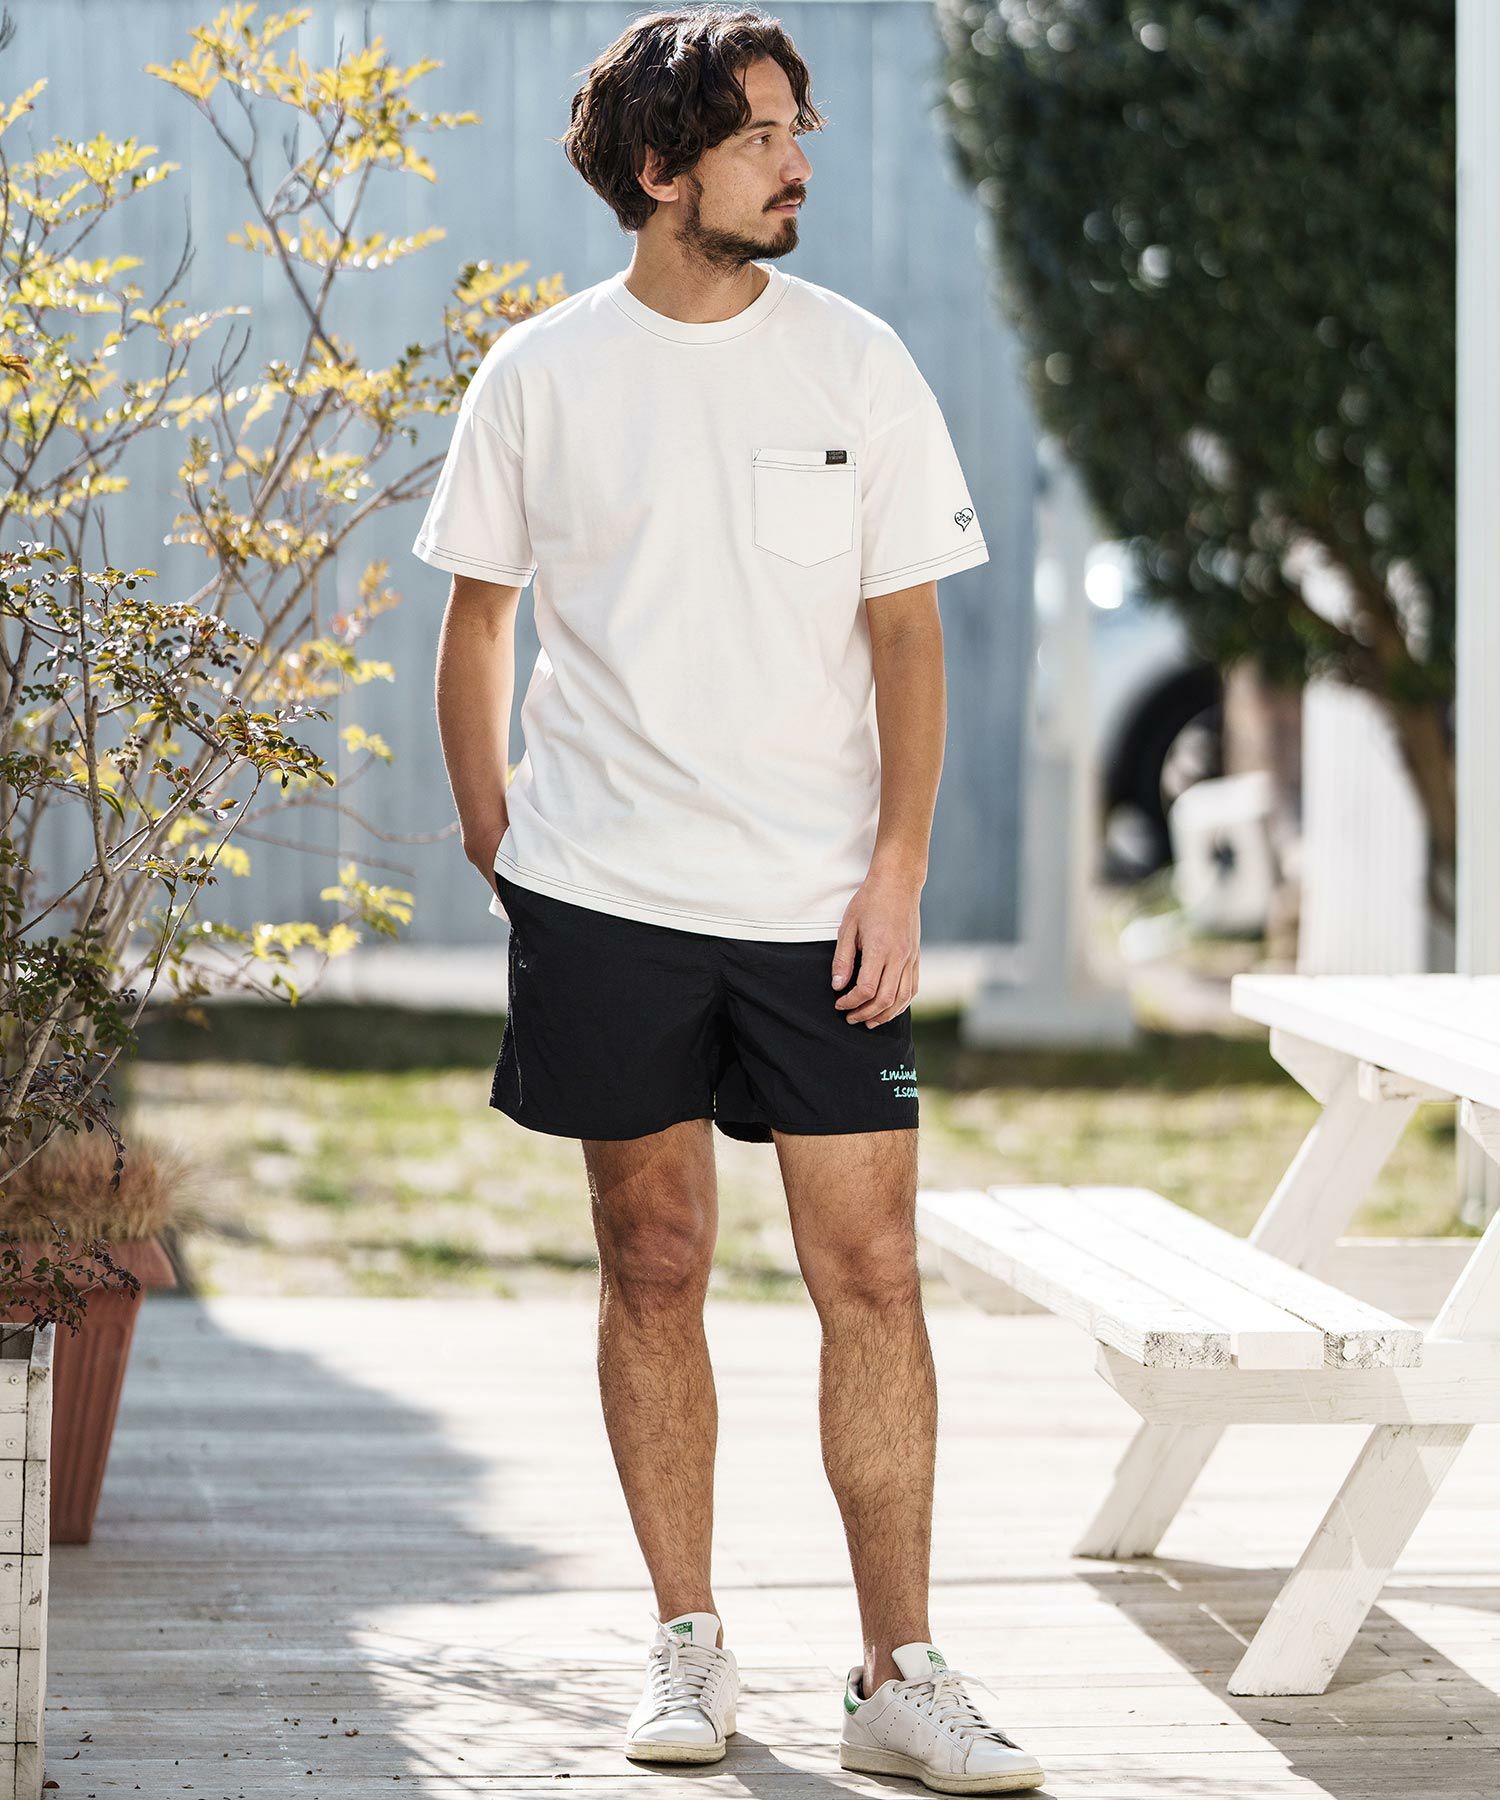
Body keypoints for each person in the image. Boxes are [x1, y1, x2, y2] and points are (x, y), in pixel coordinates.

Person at [411, 7, 1043, 1793]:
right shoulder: (540, 374)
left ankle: (900, 1675)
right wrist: (502, 841)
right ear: (662, 169)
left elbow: (907, 635)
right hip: (605, 894)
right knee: (653, 1261)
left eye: (798, 129)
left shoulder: (856, 363)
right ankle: (686, 1643)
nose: (798, 162)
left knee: (874, 1271)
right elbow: (476, 622)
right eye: (762, 135)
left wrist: (899, 870)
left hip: (820, 908)